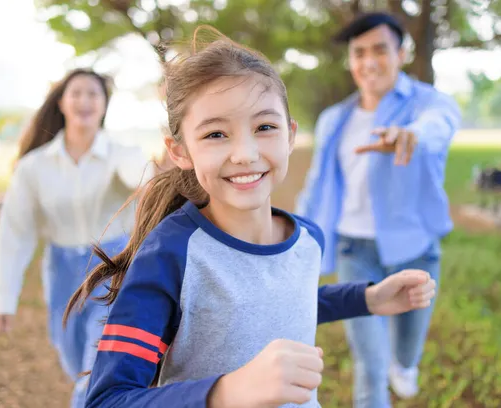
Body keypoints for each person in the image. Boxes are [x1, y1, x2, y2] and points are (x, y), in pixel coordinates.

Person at [63, 26, 437, 408]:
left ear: (289, 135)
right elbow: (108, 399)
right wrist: (227, 392)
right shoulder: (170, 254)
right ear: (179, 151)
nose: (244, 153)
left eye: (264, 127)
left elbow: (280, 298)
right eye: (215, 135)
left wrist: (368, 297)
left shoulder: (308, 238)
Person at [295, 12, 462, 408]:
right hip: (356, 252)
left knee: (405, 354)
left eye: (380, 50)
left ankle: (404, 364)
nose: (369, 62)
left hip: (416, 249)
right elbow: (318, 185)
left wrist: (412, 136)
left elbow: (441, 124)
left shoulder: (427, 104)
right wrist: (296, 238)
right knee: (370, 365)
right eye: (359, 53)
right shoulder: (334, 119)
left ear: (401, 53)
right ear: (351, 60)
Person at [0, 68, 164, 408]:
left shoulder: (121, 153)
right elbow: (14, 233)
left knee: (95, 367)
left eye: (93, 94)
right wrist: (4, 298)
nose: (84, 101)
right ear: (62, 102)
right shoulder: (34, 167)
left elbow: (142, 177)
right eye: (76, 93)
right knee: (73, 360)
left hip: (113, 267)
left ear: (104, 105)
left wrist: (147, 179)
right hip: (62, 274)